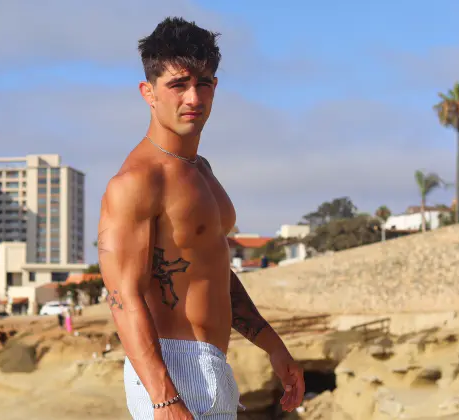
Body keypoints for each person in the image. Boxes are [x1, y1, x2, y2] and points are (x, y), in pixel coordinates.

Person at [97, 16, 305, 420]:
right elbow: (123, 298)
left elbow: (211, 268)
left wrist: (273, 346)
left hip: (212, 365)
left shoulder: (200, 170)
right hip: (170, 368)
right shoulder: (137, 181)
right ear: (148, 92)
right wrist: (163, 399)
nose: (193, 97)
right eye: (178, 84)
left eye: (204, 83)